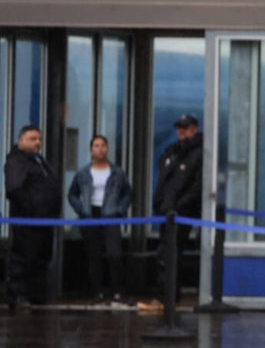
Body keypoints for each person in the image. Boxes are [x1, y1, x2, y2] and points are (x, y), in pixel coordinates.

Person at [140, 114, 203, 311]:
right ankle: (169, 296)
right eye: (179, 128)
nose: (181, 132)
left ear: (194, 129)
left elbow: (197, 186)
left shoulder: (198, 153)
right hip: (167, 212)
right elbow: (165, 180)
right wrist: (161, 204)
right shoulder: (173, 151)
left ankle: (164, 298)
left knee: (170, 254)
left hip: (181, 213)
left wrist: (180, 206)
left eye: (185, 128)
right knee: (165, 254)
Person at [68, 134, 134, 305]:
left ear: (107, 148)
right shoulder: (83, 172)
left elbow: (127, 193)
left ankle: (118, 292)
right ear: (91, 150)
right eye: (96, 146)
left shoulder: (117, 172)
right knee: (94, 255)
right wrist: (80, 208)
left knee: (114, 254)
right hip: (90, 215)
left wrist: (121, 209)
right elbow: (72, 194)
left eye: (103, 145)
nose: (100, 149)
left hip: (110, 214)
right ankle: (97, 292)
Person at [4, 125, 61, 308]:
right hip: (28, 222)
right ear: (21, 141)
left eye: (39, 139)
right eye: (33, 139)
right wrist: (31, 209)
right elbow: (14, 189)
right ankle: (19, 295)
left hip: (44, 222)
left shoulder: (39, 161)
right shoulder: (17, 161)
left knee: (41, 259)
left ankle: (37, 295)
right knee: (23, 259)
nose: (38, 142)